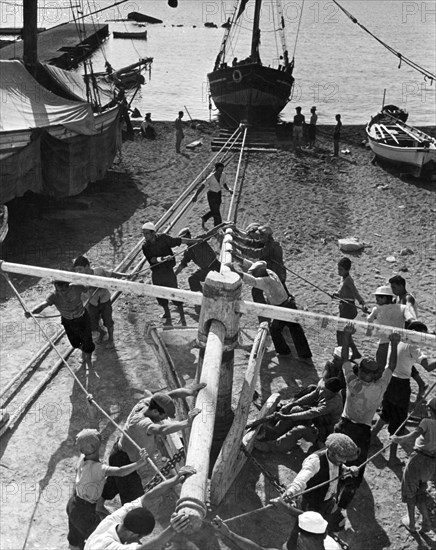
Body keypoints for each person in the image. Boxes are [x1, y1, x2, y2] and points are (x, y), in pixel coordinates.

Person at [102, 385, 204, 505]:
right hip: (124, 461)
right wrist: (187, 422)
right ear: (155, 411)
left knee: (113, 484)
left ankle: (98, 504)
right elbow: (161, 429)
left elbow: (170, 395)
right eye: (164, 416)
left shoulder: (147, 402)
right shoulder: (143, 423)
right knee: (134, 501)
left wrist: (190, 391)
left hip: (119, 453)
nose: (166, 418)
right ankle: (129, 521)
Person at [334, 324, 401, 506]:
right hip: (362, 430)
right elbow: (391, 366)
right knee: (356, 466)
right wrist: (394, 344)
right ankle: (344, 502)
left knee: (334, 459)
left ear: (361, 371)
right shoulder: (379, 387)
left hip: (344, 425)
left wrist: (347, 335)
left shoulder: (352, 382)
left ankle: (331, 491)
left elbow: (345, 358)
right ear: (375, 374)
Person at [67, 429, 148, 550]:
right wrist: (140, 462)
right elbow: (121, 472)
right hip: (85, 512)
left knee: (75, 536)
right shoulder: (100, 468)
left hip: (73, 504)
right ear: (96, 446)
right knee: (98, 540)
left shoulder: (81, 460)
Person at [85, 466, 196, 550]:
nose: (139, 541)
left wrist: (176, 479)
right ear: (133, 534)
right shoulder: (108, 547)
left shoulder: (113, 521)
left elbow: (147, 497)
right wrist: (172, 529)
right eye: (140, 537)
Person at [273, 433, 360, 539]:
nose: (344, 461)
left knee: (321, 526)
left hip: (327, 502)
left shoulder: (336, 459)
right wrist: (291, 491)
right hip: (310, 503)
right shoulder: (315, 461)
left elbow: (341, 468)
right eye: (342, 457)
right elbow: (301, 479)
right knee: (303, 527)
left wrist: (349, 470)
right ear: (332, 452)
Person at [371, 320, 435, 461]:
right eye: (422, 335)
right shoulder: (413, 347)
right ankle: (392, 457)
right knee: (399, 421)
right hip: (401, 386)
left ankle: (372, 435)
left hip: (389, 380)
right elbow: (429, 367)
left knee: (386, 413)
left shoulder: (399, 340)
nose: (423, 338)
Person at [231, 259, 312, 360]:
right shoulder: (270, 272)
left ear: (260, 272)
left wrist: (235, 271)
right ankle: (304, 356)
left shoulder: (266, 281)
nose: (255, 275)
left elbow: (252, 281)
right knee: (295, 329)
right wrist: (239, 258)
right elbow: (253, 265)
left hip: (282, 308)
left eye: (255, 273)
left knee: (275, 329)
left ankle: (285, 352)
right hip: (288, 304)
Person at [254, 377, 343, 453]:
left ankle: (273, 446)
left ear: (334, 393)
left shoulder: (334, 403)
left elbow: (311, 414)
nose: (322, 393)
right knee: (295, 409)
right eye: (323, 390)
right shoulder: (323, 388)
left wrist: (286, 416)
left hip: (322, 430)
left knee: (300, 430)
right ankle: (273, 433)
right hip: (315, 419)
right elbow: (310, 396)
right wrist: (291, 404)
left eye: (326, 393)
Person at [25, 280, 95, 368]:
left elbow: (88, 287)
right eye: (58, 290)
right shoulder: (54, 295)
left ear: (68, 286)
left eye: (63, 290)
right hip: (68, 321)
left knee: (87, 341)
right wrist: (32, 312)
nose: (61, 293)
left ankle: (88, 359)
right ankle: (84, 350)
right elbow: (43, 305)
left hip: (82, 318)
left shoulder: (77, 287)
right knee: (75, 343)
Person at [391, 397, 436, 534]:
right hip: (431, 463)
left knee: (410, 492)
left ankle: (411, 523)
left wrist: (398, 439)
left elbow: (414, 434)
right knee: (420, 491)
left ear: (430, 410)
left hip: (418, 459)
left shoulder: (426, 422)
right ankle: (426, 522)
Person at [141, 222, 199, 325]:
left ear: (153, 232)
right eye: (144, 234)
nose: (145, 236)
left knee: (174, 293)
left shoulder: (163, 238)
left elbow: (178, 240)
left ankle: (182, 317)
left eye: (147, 233)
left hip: (168, 272)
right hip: (157, 273)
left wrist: (195, 241)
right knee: (160, 295)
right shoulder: (145, 246)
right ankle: (167, 315)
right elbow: (152, 259)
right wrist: (163, 258)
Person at [211, 511, 343, 550]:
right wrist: (229, 534)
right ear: (325, 534)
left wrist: (229, 534)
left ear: (301, 538)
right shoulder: (331, 544)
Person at [72, 255, 126, 347]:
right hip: (92, 303)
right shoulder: (80, 279)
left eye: (80, 269)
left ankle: (111, 340)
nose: (78, 272)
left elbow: (112, 274)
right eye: (76, 270)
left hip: (105, 301)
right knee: (93, 322)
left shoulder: (99, 271)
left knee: (108, 321)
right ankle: (102, 333)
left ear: (87, 266)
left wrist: (126, 276)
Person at [367, 285, 415, 368]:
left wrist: (370, 327)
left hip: (384, 344)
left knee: (381, 369)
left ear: (384, 298)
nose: (376, 301)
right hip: (399, 345)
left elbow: (369, 321)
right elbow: (411, 319)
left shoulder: (376, 309)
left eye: (378, 298)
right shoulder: (403, 308)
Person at [174, 227, 221, 313]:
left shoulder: (199, 240)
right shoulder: (188, 251)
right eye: (183, 239)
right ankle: (199, 300)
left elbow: (210, 233)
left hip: (216, 266)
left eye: (185, 237)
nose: (185, 240)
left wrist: (222, 225)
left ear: (189, 235)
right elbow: (183, 264)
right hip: (206, 270)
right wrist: (175, 274)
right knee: (192, 279)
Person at [333, 257, 367, 360]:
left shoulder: (348, 280)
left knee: (340, 331)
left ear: (347, 270)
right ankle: (355, 352)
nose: (339, 271)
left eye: (341, 270)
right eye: (338, 269)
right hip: (343, 307)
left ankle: (342, 352)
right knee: (345, 331)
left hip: (348, 308)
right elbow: (342, 293)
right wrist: (336, 294)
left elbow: (355, 293)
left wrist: (362, 303)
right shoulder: (343, 278)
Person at [193, 162, 233, 229]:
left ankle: (205, 218)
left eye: (222, 170)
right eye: (219, 170)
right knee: (217, 214)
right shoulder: (210, 177)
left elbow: (224, 184)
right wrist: (195, 195)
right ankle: (218, 227)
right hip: (211, 195)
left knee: (215, 210)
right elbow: (202, 186)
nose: (220, 172)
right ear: (216, 169)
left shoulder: (223, 175)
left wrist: (229, 189)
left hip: (218, 194)